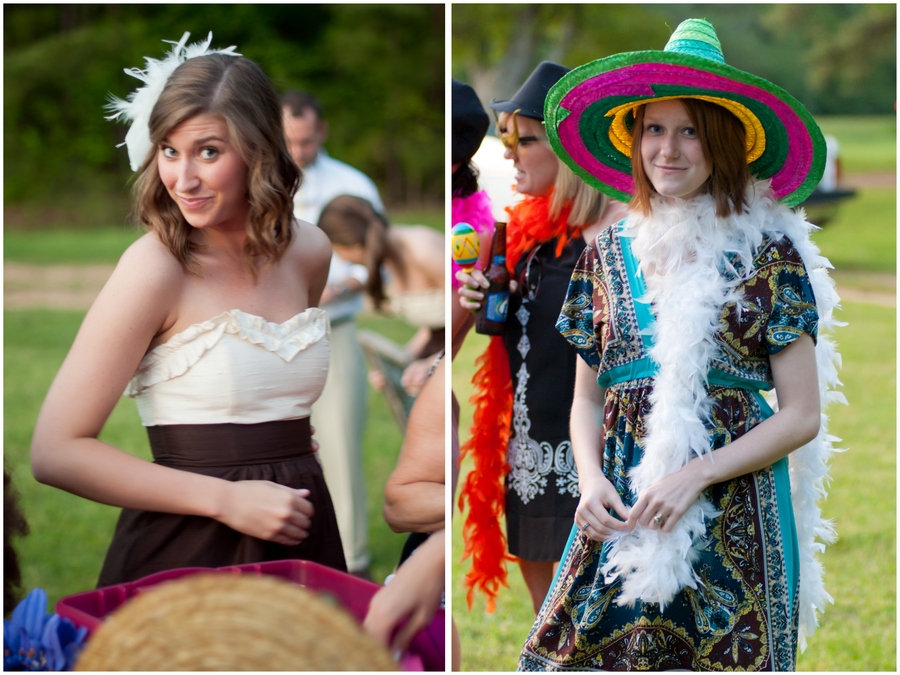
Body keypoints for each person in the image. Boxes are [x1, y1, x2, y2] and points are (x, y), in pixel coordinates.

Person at [517, 19, 843, 671]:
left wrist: (694, 474)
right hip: (623, 507)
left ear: (723, 142)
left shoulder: (767, 255)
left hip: (733, 515)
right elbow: (587, 400)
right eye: (654, 129)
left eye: (690, 130)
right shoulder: (606, 255)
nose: (668, 149)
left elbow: (801, 414)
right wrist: (587, 481)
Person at [30, 33, 345, 588]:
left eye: (208, 151)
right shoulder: (155, 268)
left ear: (259, 150)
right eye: (170, 151)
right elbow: (57, 451)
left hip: (302, 534)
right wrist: (226, 498)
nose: (183, 178)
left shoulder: (310, 251)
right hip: (188, 548)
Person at [456, 61, 628, 615]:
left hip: (601, 458)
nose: (506, 151)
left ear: (572, 152)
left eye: (524, 140)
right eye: (506, 136)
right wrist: (482, 296)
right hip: (529, 454)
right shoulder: (521, 238)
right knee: (549, 630)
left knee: (607, 623)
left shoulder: (622, 236)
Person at [282, 90, 381, 577]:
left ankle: (351, 561)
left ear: (321, 131)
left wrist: (348, 282)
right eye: (289, 141)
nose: (298, 151)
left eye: (305, 140)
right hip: (274, 336)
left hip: (333, 329)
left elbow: (381, 255)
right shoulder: (261, 178)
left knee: (339, 444)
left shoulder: (352, 182)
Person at [318, 195, 445, 397]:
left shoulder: (422, 248)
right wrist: (398, 364)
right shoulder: (389, 264)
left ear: (355, 246)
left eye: (339, 251)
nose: (343, 259)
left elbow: (467, 311)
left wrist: (435, 363)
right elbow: (437, 327)